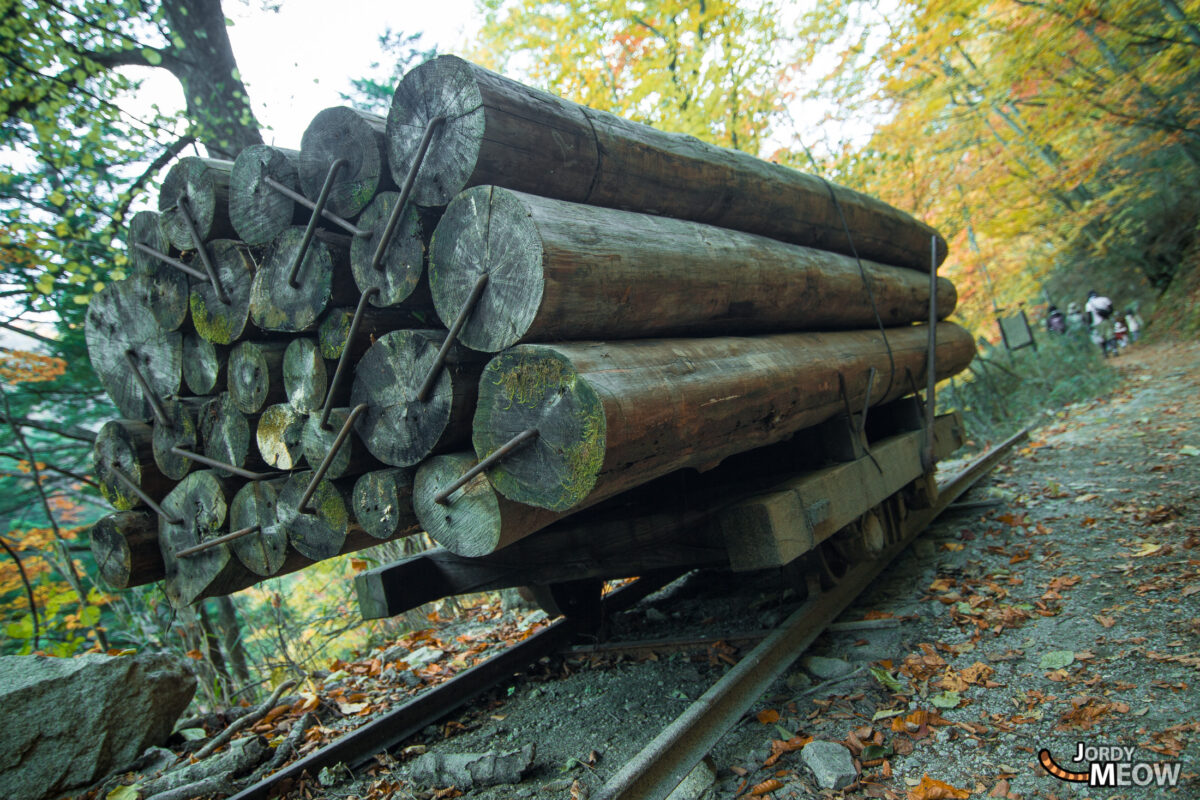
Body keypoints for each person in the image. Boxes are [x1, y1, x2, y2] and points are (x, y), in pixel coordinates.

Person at [1085, 290, 1116, 355]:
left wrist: (1089, 326)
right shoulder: (1104, 299)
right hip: (1106, 320)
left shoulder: (1088, 305)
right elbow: (1111, 309)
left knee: (1101, 338)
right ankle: (1114, 350)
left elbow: (1089, 317)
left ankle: (1105, 352)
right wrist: (1106, 314)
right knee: (1110, 335)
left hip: (1096, 323)